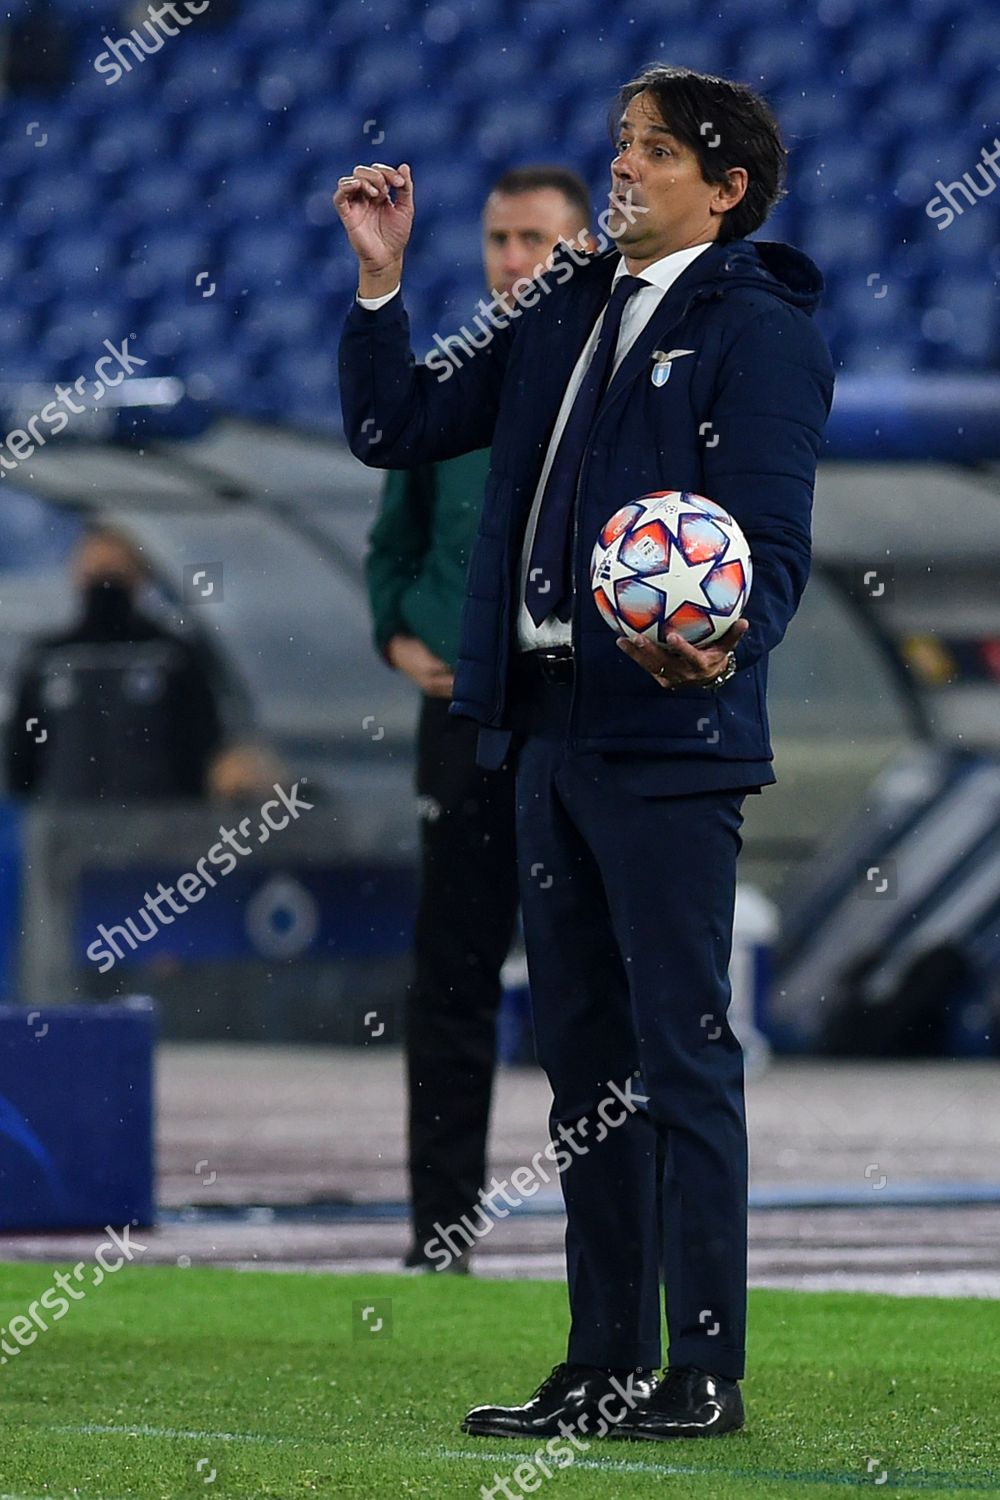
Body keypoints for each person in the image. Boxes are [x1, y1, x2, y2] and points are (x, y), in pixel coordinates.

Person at [336, 64, 834, 1441]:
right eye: (618, 146)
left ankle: (706, 1371)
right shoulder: (560, 302)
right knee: (584, 1069)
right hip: (542, 734)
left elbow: (770, 546)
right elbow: (399, 427)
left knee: (682, 1054)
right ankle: (605, 1361)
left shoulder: (761, 327)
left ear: (726, 191)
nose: (622, 172)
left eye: (655, 154)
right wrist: (383, 285)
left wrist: (726, 642)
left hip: (673, 734)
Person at [366, 165, 595, 1275]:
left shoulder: (607, 375)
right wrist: (396, 637)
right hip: (458, 720)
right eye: (499, 237)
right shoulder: (452, 379)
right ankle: (440, 1230)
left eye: (535, 240)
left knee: (586, 976)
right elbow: (392, 541)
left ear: (582, 243)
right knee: (450, 971)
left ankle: (610, 1233)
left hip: (570, 713)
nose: (514, 259)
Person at [6, 528, 223, 801]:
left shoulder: (171, 656)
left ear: (142, 571)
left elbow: (203, 743)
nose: (104, 570)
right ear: (76, 571)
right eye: (95, 564)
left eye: (115, 565)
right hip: (65, 825)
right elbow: (23, 753)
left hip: (158, 825)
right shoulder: (48, 658)